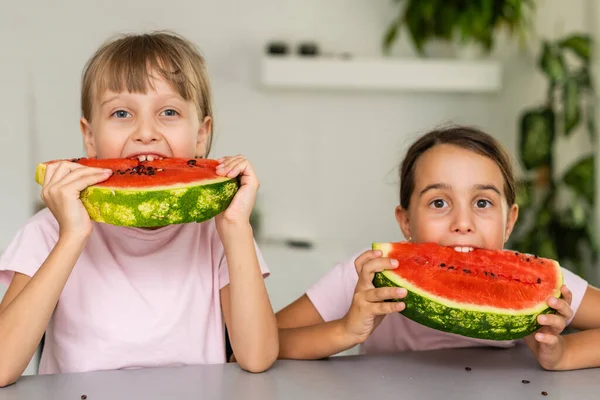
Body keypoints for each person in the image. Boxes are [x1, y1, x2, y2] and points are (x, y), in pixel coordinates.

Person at [0, 31, 278, 386]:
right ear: (89, 137)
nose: (145, 132)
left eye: (169, 111)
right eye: (120, 112)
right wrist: (72, 235)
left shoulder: (219, 233)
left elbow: (258, 357)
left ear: (201, 136)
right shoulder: (47, 231)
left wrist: (237, 227)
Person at [276, 125, 600, 371]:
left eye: (483, 202)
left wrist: (563, 354)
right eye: (439, 202)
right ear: (405, 221)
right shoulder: (370, 273)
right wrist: (345, 330)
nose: (463, 222)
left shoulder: (532, 280)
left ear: (509, 221)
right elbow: (262, 341)